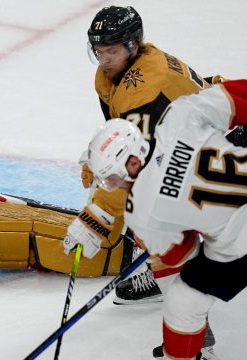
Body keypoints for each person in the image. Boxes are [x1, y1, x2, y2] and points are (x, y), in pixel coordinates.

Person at [65, 79, 247, 359]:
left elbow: (183, 255)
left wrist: (183, 218)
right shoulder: (179, 116)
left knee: (183, 303)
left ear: (132, 163)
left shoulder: (142, 213)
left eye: (112, 179)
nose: (114, 186)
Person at [83, 5, 224, 306]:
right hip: (192, 145)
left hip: (219, 155)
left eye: (111, 51)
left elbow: (140, 170)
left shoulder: (144, 88)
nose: (103, 60)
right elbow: (123, 133)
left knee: (150, 209)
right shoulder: (118, 74)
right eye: (98, 51)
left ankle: (183, 289)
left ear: (133, 45)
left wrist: (96, 218)